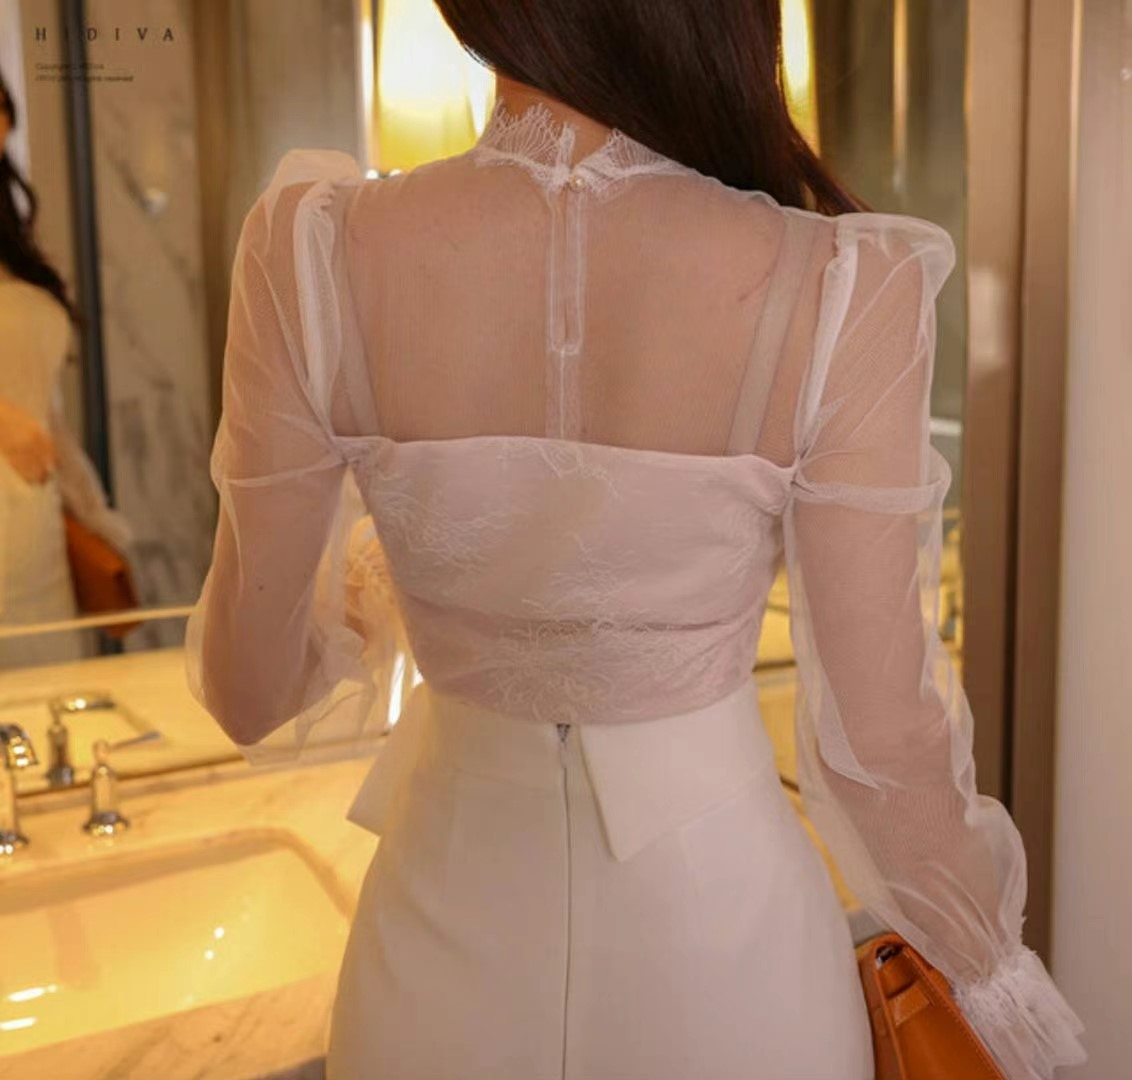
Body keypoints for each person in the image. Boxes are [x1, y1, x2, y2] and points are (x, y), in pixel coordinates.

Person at [185, 3, 1088, 1077]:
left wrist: (373, 588)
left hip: (435, 958)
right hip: (734, 970)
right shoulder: (844, 284)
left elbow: (249, 692)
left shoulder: (309, 249)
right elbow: (882, 749)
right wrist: (997, 987)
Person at [0, 70, 133, 666]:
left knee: (50, 694)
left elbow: (45, 409)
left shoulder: (13, 239)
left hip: (38, 528)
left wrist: (91, 512)